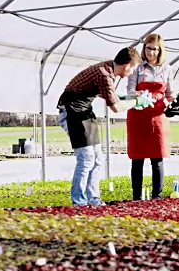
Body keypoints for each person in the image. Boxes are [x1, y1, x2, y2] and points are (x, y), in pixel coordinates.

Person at [57, 47, 152, 206]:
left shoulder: (108, 69)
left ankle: (93, 200)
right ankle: (79, 202)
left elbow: (106, 94)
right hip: (72, 112)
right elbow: (115, 107)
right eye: (134, 68)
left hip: (84, 112)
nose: (132, 72)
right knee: (86, 158)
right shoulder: (105, 74)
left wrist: (128, 97)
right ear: (127, 65)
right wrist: (136, 102)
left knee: (98, 158)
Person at [126, 34, 176, 200]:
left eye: (154, 49)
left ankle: (157, 197)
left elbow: (170, 94)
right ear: (144, 48)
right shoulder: (138, 67)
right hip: (138, 115)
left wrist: (166, 103)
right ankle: (136, 197)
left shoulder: (167, 69)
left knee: (157, 158)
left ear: (160, 50)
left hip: (157, 116)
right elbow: (130, 91)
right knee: (137, 158)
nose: (151, 52)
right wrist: (140, 94)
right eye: (148, 48)